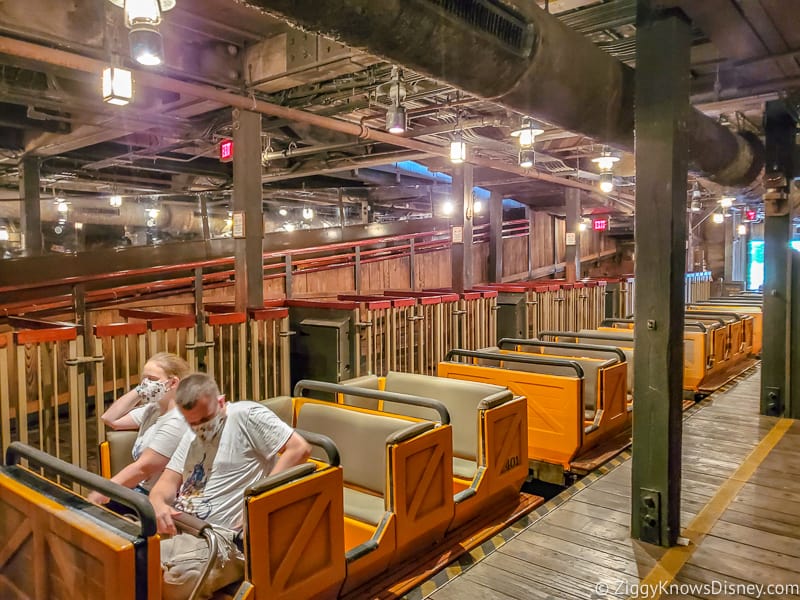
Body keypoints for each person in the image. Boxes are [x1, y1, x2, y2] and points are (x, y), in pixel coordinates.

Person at [149, 372, 312, 600]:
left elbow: (299, 449)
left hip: (222, 539)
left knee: (173, 578)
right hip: (181, 526)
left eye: (205, 420)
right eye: (192, 423)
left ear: (221, 402)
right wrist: (157, 504)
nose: (199, 428)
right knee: (133, 558)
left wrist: (255, 504)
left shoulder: (245, 415)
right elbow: (165, 484)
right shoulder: (190, 436)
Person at [89, 352, 191, 505]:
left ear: (173, 383)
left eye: (152, 380)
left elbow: (144, 468)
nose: (146, 384)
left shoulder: (177, 420)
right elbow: (110, 419)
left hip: (158, 499)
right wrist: (139, 391)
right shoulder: (154, 408)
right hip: (139, 490)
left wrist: (105, 490)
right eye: (144, 379)